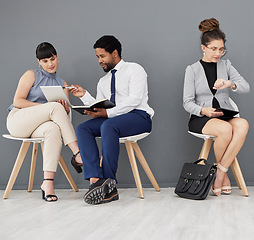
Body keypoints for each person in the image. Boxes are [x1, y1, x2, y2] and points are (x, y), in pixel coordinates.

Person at [69, 35, 154, 204]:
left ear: (114, 53)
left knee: (108, 125)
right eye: (97, 57)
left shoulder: (134, 69)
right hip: (114, 120)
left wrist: (107, 114)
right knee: (83, 128)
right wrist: (84, 96)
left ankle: (110, 185)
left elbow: (134, 100)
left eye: (102, 56)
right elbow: (101, 105)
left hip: (139, 116)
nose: (100, 60)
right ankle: (96, 180)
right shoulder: (103, 81)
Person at [6, 42, 83, 202]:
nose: (50, 63)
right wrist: (48, 107)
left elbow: (64, 115)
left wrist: (65, 108)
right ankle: (78, 153)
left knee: (53, 130)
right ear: (39, 62)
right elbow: (18, 101)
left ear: (57, 58)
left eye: (52, 59)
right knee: (54, 108)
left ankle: (47, 183)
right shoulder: (31, 75)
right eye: (45, 61)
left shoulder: (63, 84)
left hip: (40, 126)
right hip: (18, 120)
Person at [183, 18, 250, 196]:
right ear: (203, 48)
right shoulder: (192, 70)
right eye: (213, 49)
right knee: (226, 129)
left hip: (224, 115)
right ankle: (223, 177)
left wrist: (229, 83)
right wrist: (203, 110)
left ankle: (220, 171)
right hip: (201, 118)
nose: (218, 53)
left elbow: (245, 87)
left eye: (221, 49)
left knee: (243, 124)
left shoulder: (226, 65)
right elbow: (187, 102)